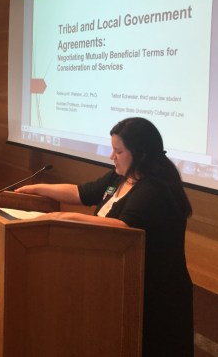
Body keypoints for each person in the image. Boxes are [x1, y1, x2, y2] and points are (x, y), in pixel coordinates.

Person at [15, 117, 193, 357]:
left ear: (141, 154)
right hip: (115, 277)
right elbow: (82, 192)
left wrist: (67, 218)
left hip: (152, 291)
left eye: (118, 151)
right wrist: (37, 188)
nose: (112, 157)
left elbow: (122, 228)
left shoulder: (154, 189)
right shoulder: (120, 177)